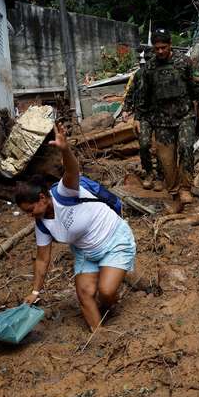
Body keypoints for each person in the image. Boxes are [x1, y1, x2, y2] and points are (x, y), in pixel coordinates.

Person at [15, 124, 136, 331]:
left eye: (30, 209)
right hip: (86, 252)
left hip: (113, 238)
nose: (28, 215)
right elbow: (43, 260)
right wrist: (35, 292)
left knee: (106, 293)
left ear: (42, 198)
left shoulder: (64, 193)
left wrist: (65, 149)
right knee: (85, 293)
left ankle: (113, 295)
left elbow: (72, 170)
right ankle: (99, 335)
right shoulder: (42, 225)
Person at [138, 28, 199, 213]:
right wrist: (137, 118)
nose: (160, 51)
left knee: (186, 148)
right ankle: (174, 190)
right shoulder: (149, 68)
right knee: (166, 159)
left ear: (170, 45)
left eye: (163, 47)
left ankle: (186, 188)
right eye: (157, 48)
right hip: (161, 121)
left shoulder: (184, 63)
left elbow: (198, 87)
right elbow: (143, 96)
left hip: (184, 116)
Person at [121, 67, 162, 191]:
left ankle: (160, 176)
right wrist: (126, 109)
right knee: (144, 144)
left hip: (163, 114)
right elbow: (131, 91)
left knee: (162, 146)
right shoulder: (139, 74)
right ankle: (149, 173)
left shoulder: (164, 69)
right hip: (143, 115)